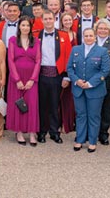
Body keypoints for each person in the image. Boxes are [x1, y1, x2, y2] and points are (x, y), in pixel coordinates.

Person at [68, 28, 110, 152]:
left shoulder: (102, 51)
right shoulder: (76, 50)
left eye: (90, 35)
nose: (88, 38)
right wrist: (77, 80)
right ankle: (80, 140)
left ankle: (92, 141)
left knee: (93, 116)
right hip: (78, 88)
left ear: (95, 37)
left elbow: (105, 70)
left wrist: (91, 83)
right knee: (81, 115)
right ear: (83, 37)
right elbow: (70, 68)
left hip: (95, 89)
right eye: (86, 35)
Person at [37, 12, 72, 144]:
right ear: (42, 20)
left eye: (50, 18)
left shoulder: (63, 36)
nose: (48, 21)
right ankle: (41, 131)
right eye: (45, 19)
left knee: (54, 104)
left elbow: (68, 57)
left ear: (55, 19)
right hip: (41, 74)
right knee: (41, 105)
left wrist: (67, 77)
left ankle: (54, 132)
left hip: (57, 74)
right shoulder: (36, 35)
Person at [6, 17, 41, 145]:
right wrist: (17, 79)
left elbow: (38, 60)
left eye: (27, 25)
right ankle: (19, 131)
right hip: (17, 78)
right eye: (23, 25)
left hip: (31, 78)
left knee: (31, 104)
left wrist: (32, 79)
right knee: (18, 104)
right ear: (19, 27)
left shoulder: (36, 41)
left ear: (31, 28)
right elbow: (10, 60)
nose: (25, 28)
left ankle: (32, 133)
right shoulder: (13, 41)